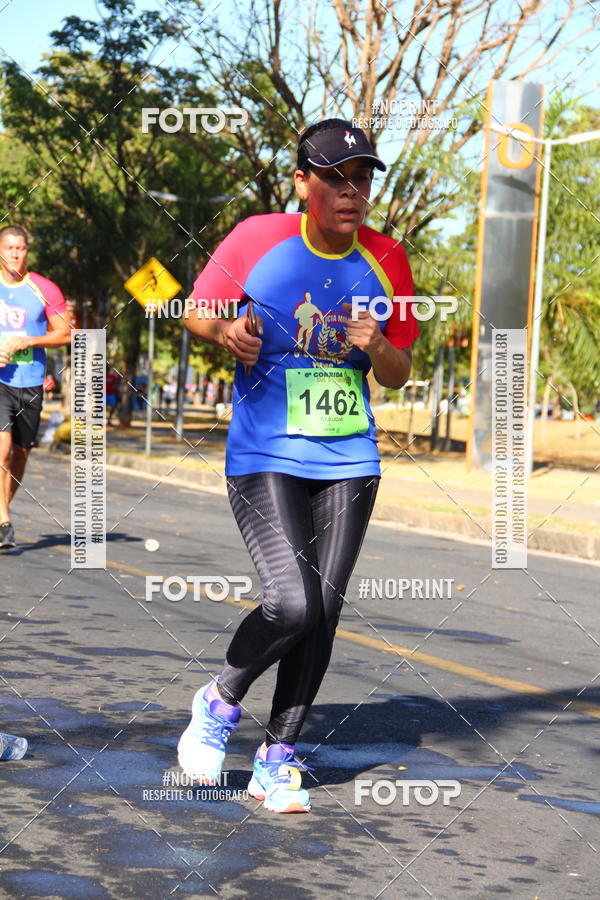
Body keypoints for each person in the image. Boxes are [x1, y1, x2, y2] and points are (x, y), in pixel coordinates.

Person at [179, 119, 418, 813]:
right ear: (302, 181)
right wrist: (226, 330)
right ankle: (220, 700)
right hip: (264, 451)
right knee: (292, 601)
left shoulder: (387, 260)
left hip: (349, 455)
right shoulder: (258, 238)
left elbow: (400, 372)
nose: (353, 192)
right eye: (337, 178)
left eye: (364, 178)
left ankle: (278, 757)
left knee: (323, 613)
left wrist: (377, 347)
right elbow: (198, 310)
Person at [0, 225, 71, 549]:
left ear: (28, 251)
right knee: (1, 451)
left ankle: (2, 511)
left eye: (20, 248)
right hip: (1, 381)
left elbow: (65, 333)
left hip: (30, 383)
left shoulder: (44, 288)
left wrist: (30, 340)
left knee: (20, 454)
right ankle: (3, 521)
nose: (14, 253)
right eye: (8, 247)